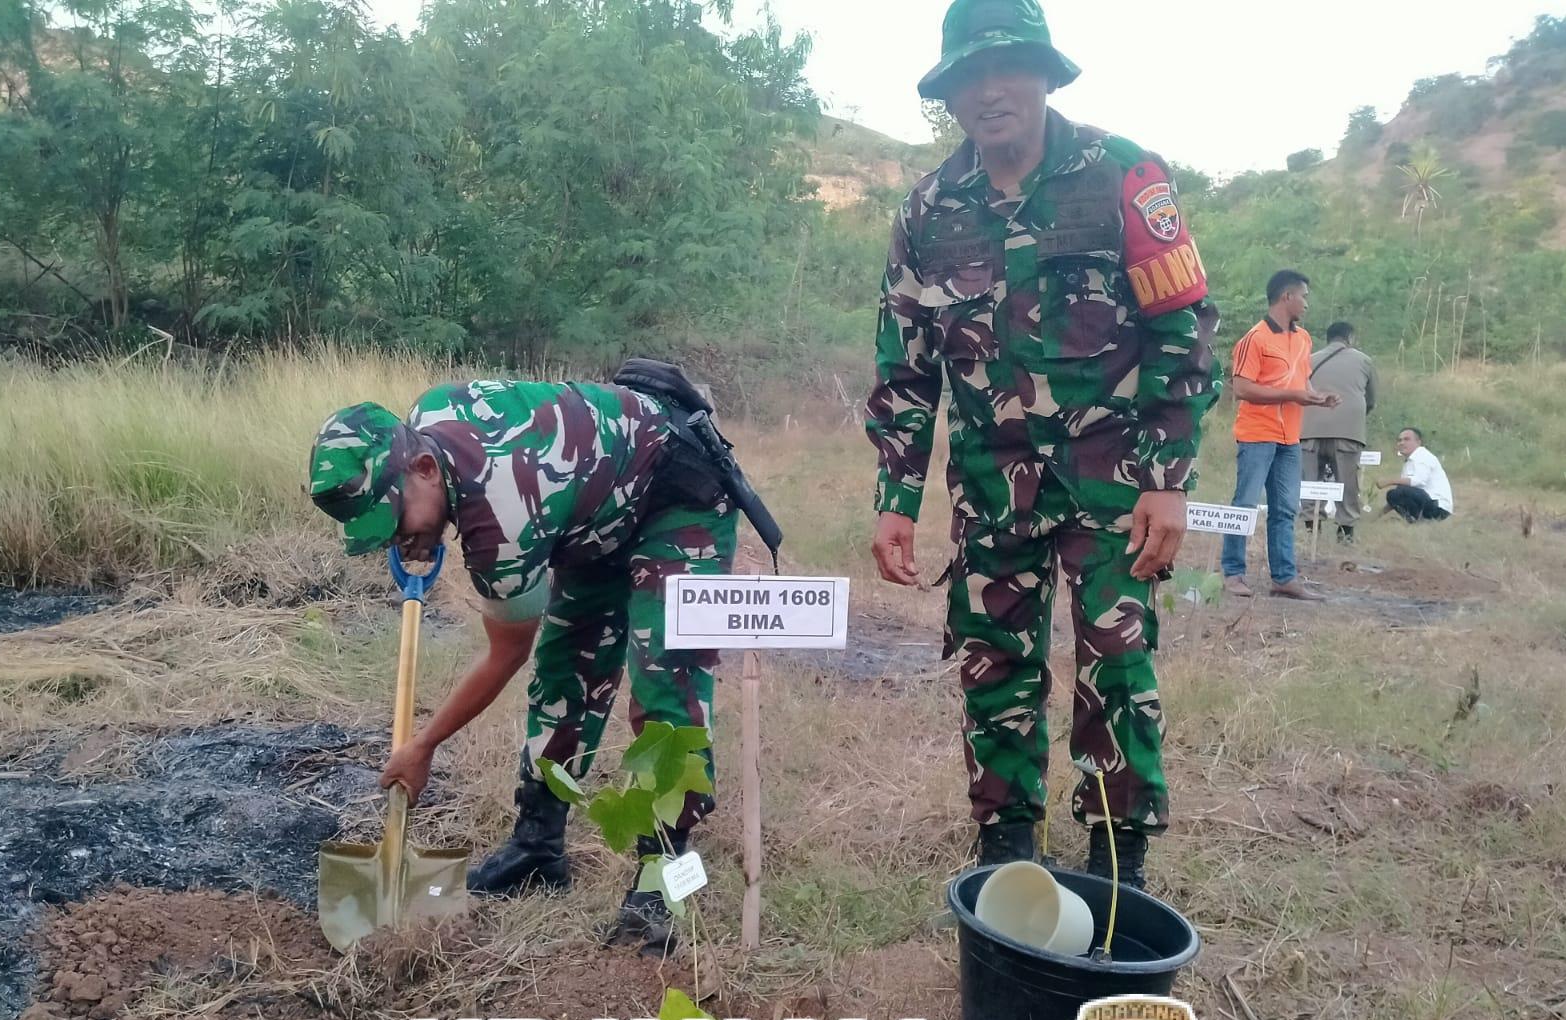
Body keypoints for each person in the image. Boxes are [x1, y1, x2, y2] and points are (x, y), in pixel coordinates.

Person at [865, 0, 1220, 890]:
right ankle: (1007, 854)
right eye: (969, 78)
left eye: (1007, 69)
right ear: (949, 94)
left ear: (1047, 74)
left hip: (1116, 480)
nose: (990, 92)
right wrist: (895, 499)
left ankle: (1115, 864)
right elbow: (905, 369)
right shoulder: (928, 209)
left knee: (1117, 660)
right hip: (990, 486)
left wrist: (1169, 478)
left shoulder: (1122, 175)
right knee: (993, 667)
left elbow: (1184, 332)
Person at [307, 363, 756, 956]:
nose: (397, 540)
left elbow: (504, 653)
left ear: (422, 468)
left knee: (666, 679)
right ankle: (539, 846)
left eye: (393, 520)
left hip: (680, 492)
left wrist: (422, 746)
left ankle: (670, 872)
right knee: (564, 672)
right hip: (593, 511)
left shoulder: (502, 519)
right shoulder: (422, 425)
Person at [1220, 271, 1340, 601]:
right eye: (1304, 296)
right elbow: (1242, 388)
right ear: (1286, 297)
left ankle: (1284, 577)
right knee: (1245, 502)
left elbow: (1302, 382)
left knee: (1285, 507)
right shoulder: (1254, 339)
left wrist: (1316, 396)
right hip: (1258, 433)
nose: (1306, 304)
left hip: (1290, 437)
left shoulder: (1303, 339)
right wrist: (1293, 395)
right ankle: (1233, 572)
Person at [1301, 321, 1378, 545]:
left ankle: (1309, 531)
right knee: (1347, 484)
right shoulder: (1364, 360)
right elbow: (1371, 399)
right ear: (1350, 337)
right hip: (1348, 432)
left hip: (1309, 431)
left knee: (1309, 483)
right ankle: (1345, 534)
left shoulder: (1309, 360)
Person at [1378, 427, 1453, 521]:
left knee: (1398, 491)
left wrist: (1389, 481)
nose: (1402, 443)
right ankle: (1415, 522)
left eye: (1407, 439)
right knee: (1394, 494)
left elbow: (1418, 481)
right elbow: (1398, 496)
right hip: (1428, 503)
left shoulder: (1422, 456)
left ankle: (1417, 520)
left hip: (1437, 506)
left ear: (1418, 442)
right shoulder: (1410, 461)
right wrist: (1378, 515)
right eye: (1399, 440)